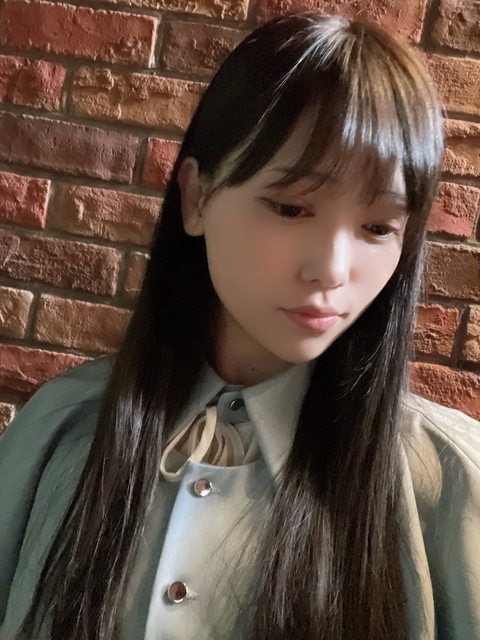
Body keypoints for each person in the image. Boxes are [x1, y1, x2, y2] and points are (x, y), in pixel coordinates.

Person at [0, 10, 479, 640]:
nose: (332, 269)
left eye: (378, 227)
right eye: (291, 207)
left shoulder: (450, 482)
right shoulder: (60, 432)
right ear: (197, 197)